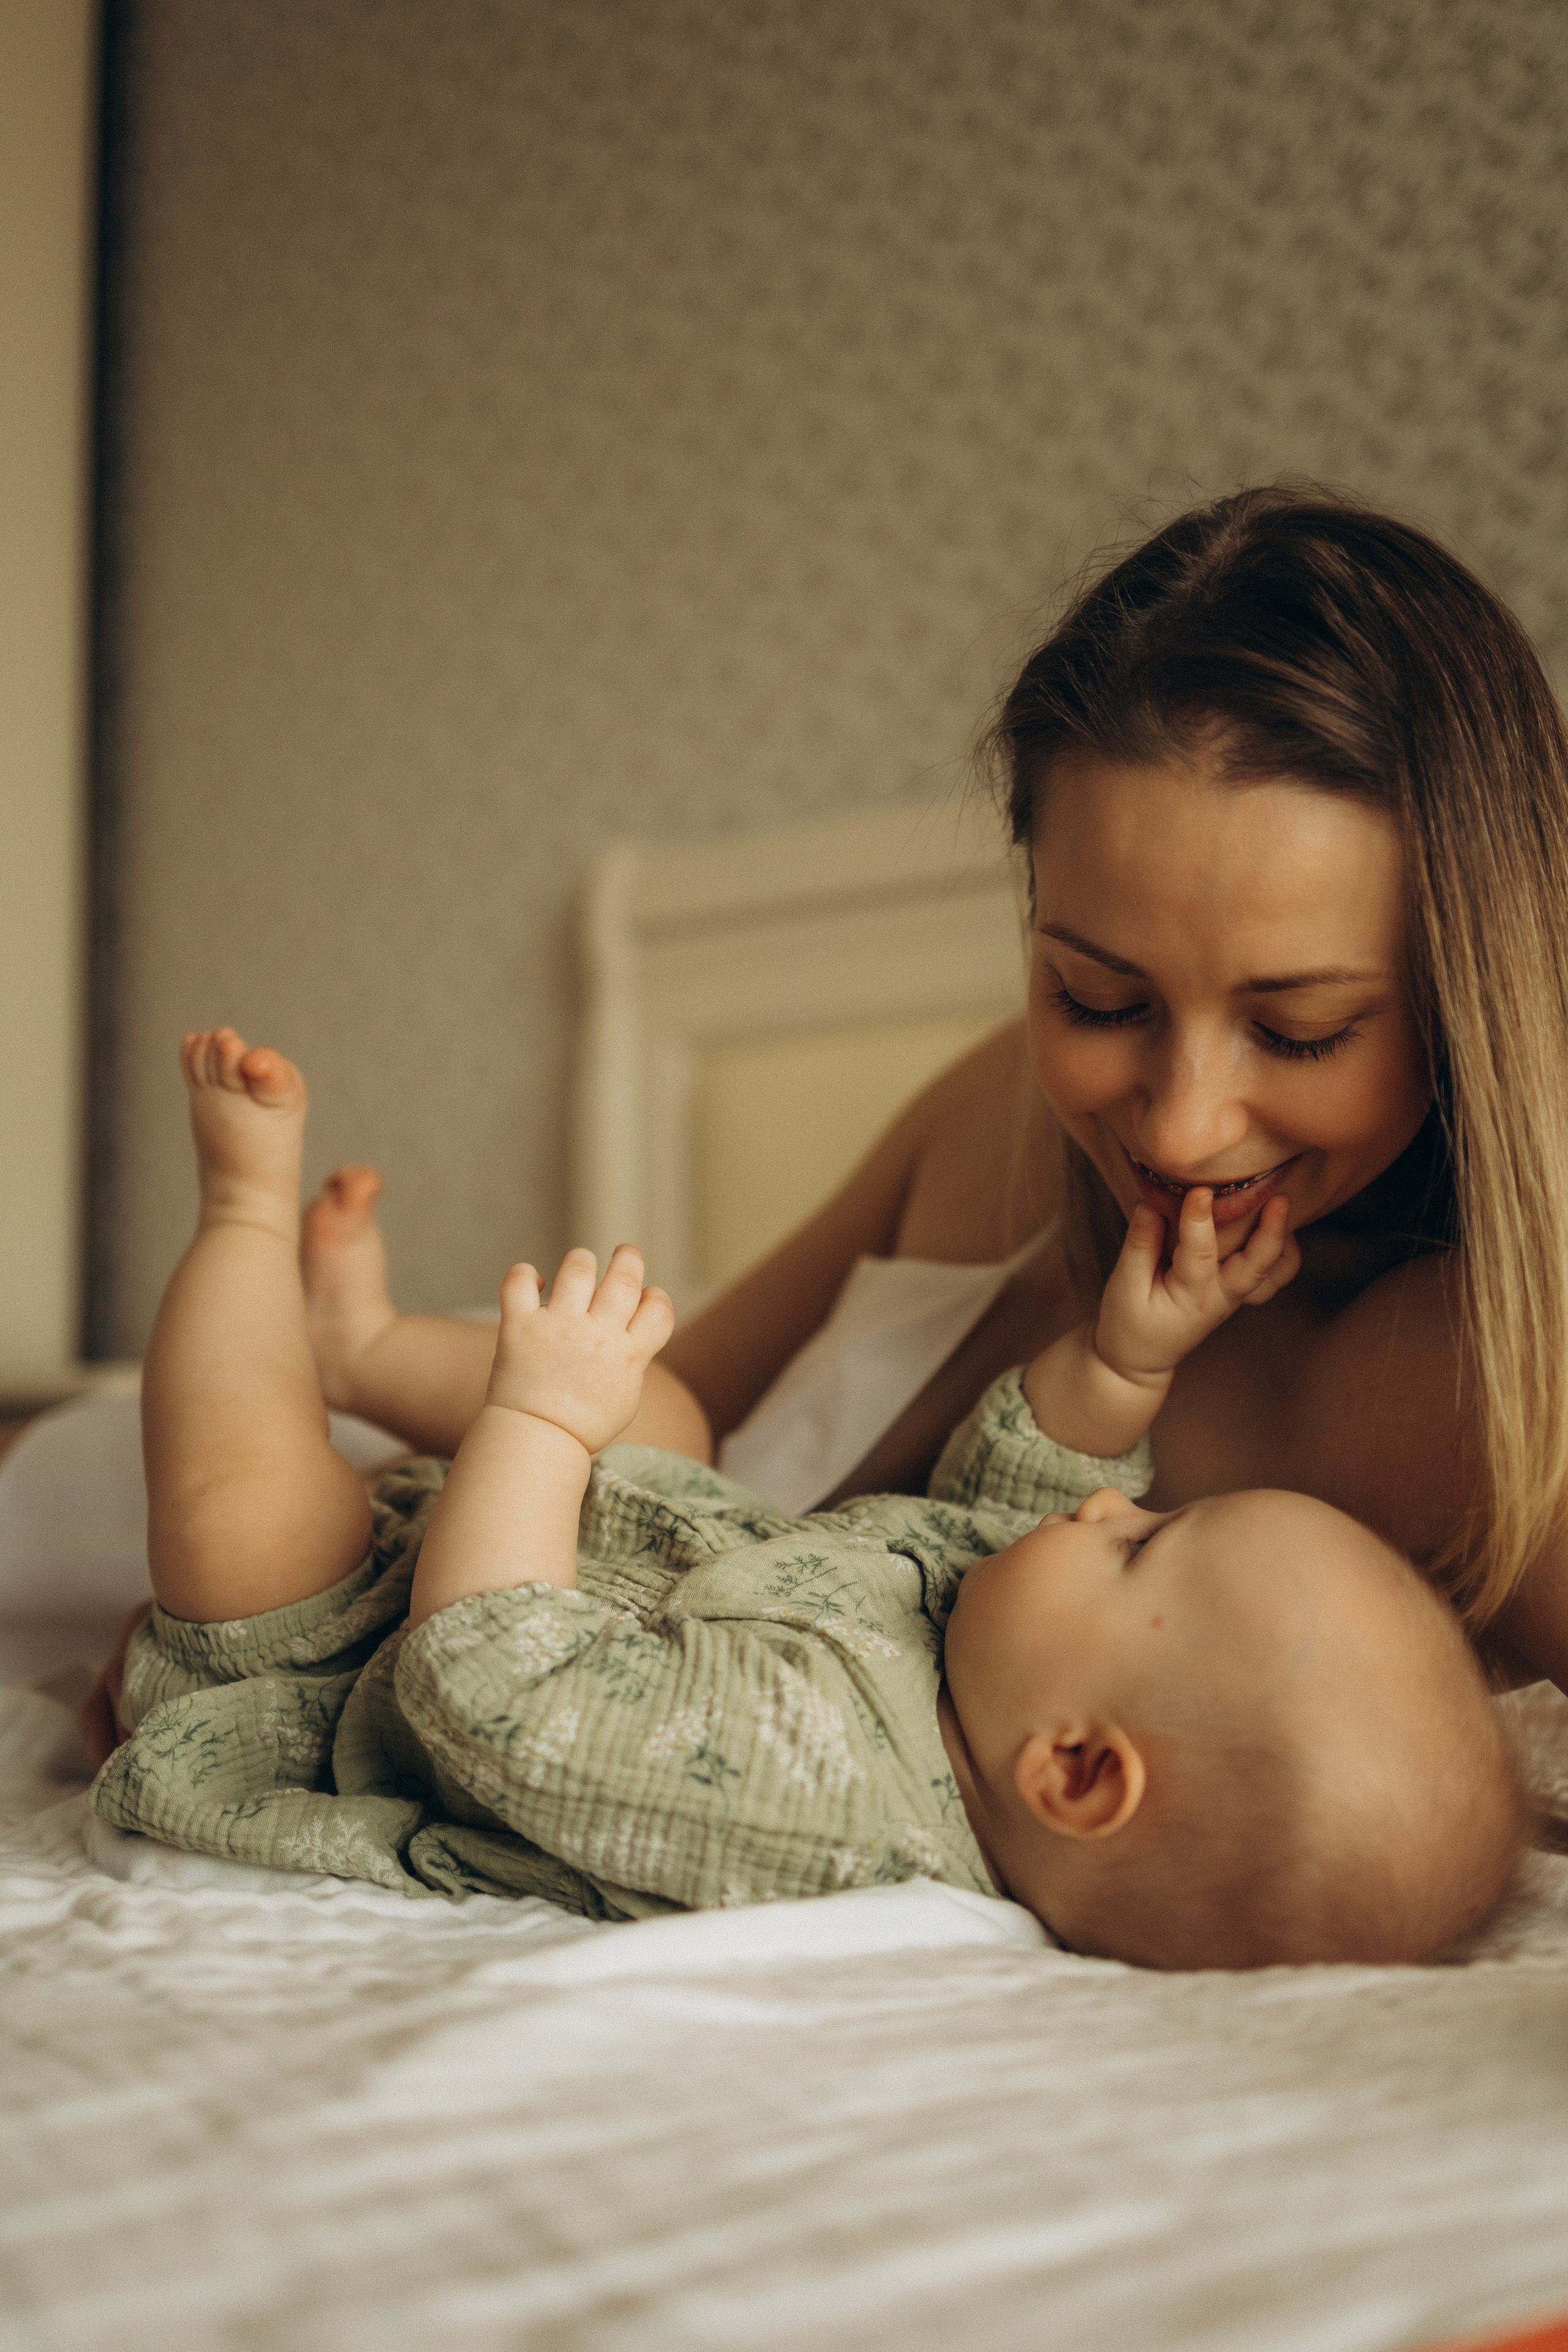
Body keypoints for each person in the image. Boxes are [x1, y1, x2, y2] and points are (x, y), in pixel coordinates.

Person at [77, 483, 1568, 1754]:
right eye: (1098, 1000)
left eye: (1298, 1031)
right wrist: (289, 1616)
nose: (1176, 1131)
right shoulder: (1001, 1106)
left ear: (1470, 987)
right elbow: (672, 1426)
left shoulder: (1460, 1372)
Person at [89, 1028, 1519, 1971]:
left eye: (1139, 1548)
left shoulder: (812, 1807)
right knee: (670, 1410)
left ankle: (240, 1220)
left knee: (242, 1517)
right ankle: (361, 1348)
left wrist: (535, 1417)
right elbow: (1015, 1494)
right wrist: (1124, 1358)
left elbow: (493, 1692)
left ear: (1074, 1772)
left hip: (361, 1674)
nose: (1106, 1511)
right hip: (554, 1535)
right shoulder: (1003, 1670)